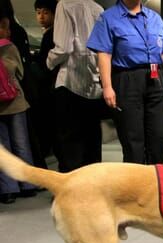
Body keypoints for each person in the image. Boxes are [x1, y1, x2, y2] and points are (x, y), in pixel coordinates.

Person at [87, 0, 163, 165]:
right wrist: (107, 86)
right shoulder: (108, 17)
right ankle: (135, 185)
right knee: (132, 138)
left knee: (159, 135)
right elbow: (104, 54)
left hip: (156, 78)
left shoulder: (154, 17)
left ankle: (155, 179)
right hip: (126, 78)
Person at [47, 0, 105, 173]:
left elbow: (63, 48)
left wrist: (48, 61)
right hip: (94, 84)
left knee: (69, 142)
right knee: (92, 140)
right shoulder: (98, 9)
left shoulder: (65, 5)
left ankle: (71, 191)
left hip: (70, 82)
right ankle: (93, 188)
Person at [0, 17, 36, 204]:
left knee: (3, 148)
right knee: (21, 144)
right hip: (15, 102)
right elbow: (20, 72)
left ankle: (8, 189)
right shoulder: (9, 47)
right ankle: (28, 184)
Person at [30, 0, 59, 167]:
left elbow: (45, 64)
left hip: (50, 89)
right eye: (38, 12)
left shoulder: (51, 35)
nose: (41, 16)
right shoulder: (49, 33)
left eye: (45, 12)